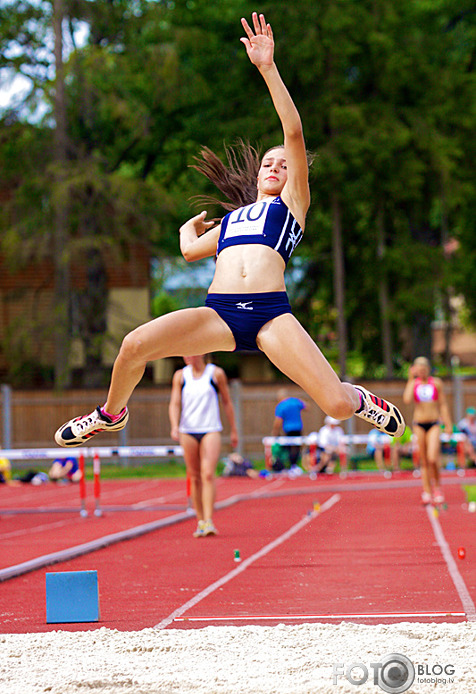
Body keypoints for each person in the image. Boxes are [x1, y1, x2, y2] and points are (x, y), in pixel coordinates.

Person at [55, 13, 405, 459]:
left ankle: (358, 397)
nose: (277, 167)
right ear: (258, 174)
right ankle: (110, 414)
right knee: (133, 345)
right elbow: (187, 251)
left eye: (284, 164)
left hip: (271, 318)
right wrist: (190, 227)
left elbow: (293, 132)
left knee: (335, 405)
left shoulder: (291, 206)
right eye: (269, 164)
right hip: (218, 314)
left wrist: (267, 68)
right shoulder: (232, 222)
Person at [169, 355, 238, 537]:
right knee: (194, 476)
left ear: (200, 352)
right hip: (188, 430)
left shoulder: (215, 373)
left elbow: (227, 401)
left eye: (189, 351)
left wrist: (233, 429)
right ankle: (200, 521)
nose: (186, 356)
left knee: (208, 474)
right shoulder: (180, 376)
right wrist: (174, 425)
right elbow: (175, 403)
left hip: (210, 429)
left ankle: (208, 520)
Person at [403, 357, 452, 505]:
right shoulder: (414, 383)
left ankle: (437, 487)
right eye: (419, 369)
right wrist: (411, 378)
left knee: (432, 458)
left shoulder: (436, 383)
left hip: (434, 423)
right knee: (424, 460)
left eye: (424, 369)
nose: (422, 372)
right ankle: (427, 491)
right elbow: (407, 399)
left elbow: (442, 404)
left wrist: (448, 424)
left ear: (428, 369)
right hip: (419, 424)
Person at [271, 388, 308, 472]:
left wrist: (275, 431)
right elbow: (306, 406)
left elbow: (278, 421)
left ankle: (291, 466)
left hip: (288, 429)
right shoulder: (295, 401)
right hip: (298, 427)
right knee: (296, 447)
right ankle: (294, 465)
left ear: (280, 397)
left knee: (289, 448)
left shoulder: (281, 405)